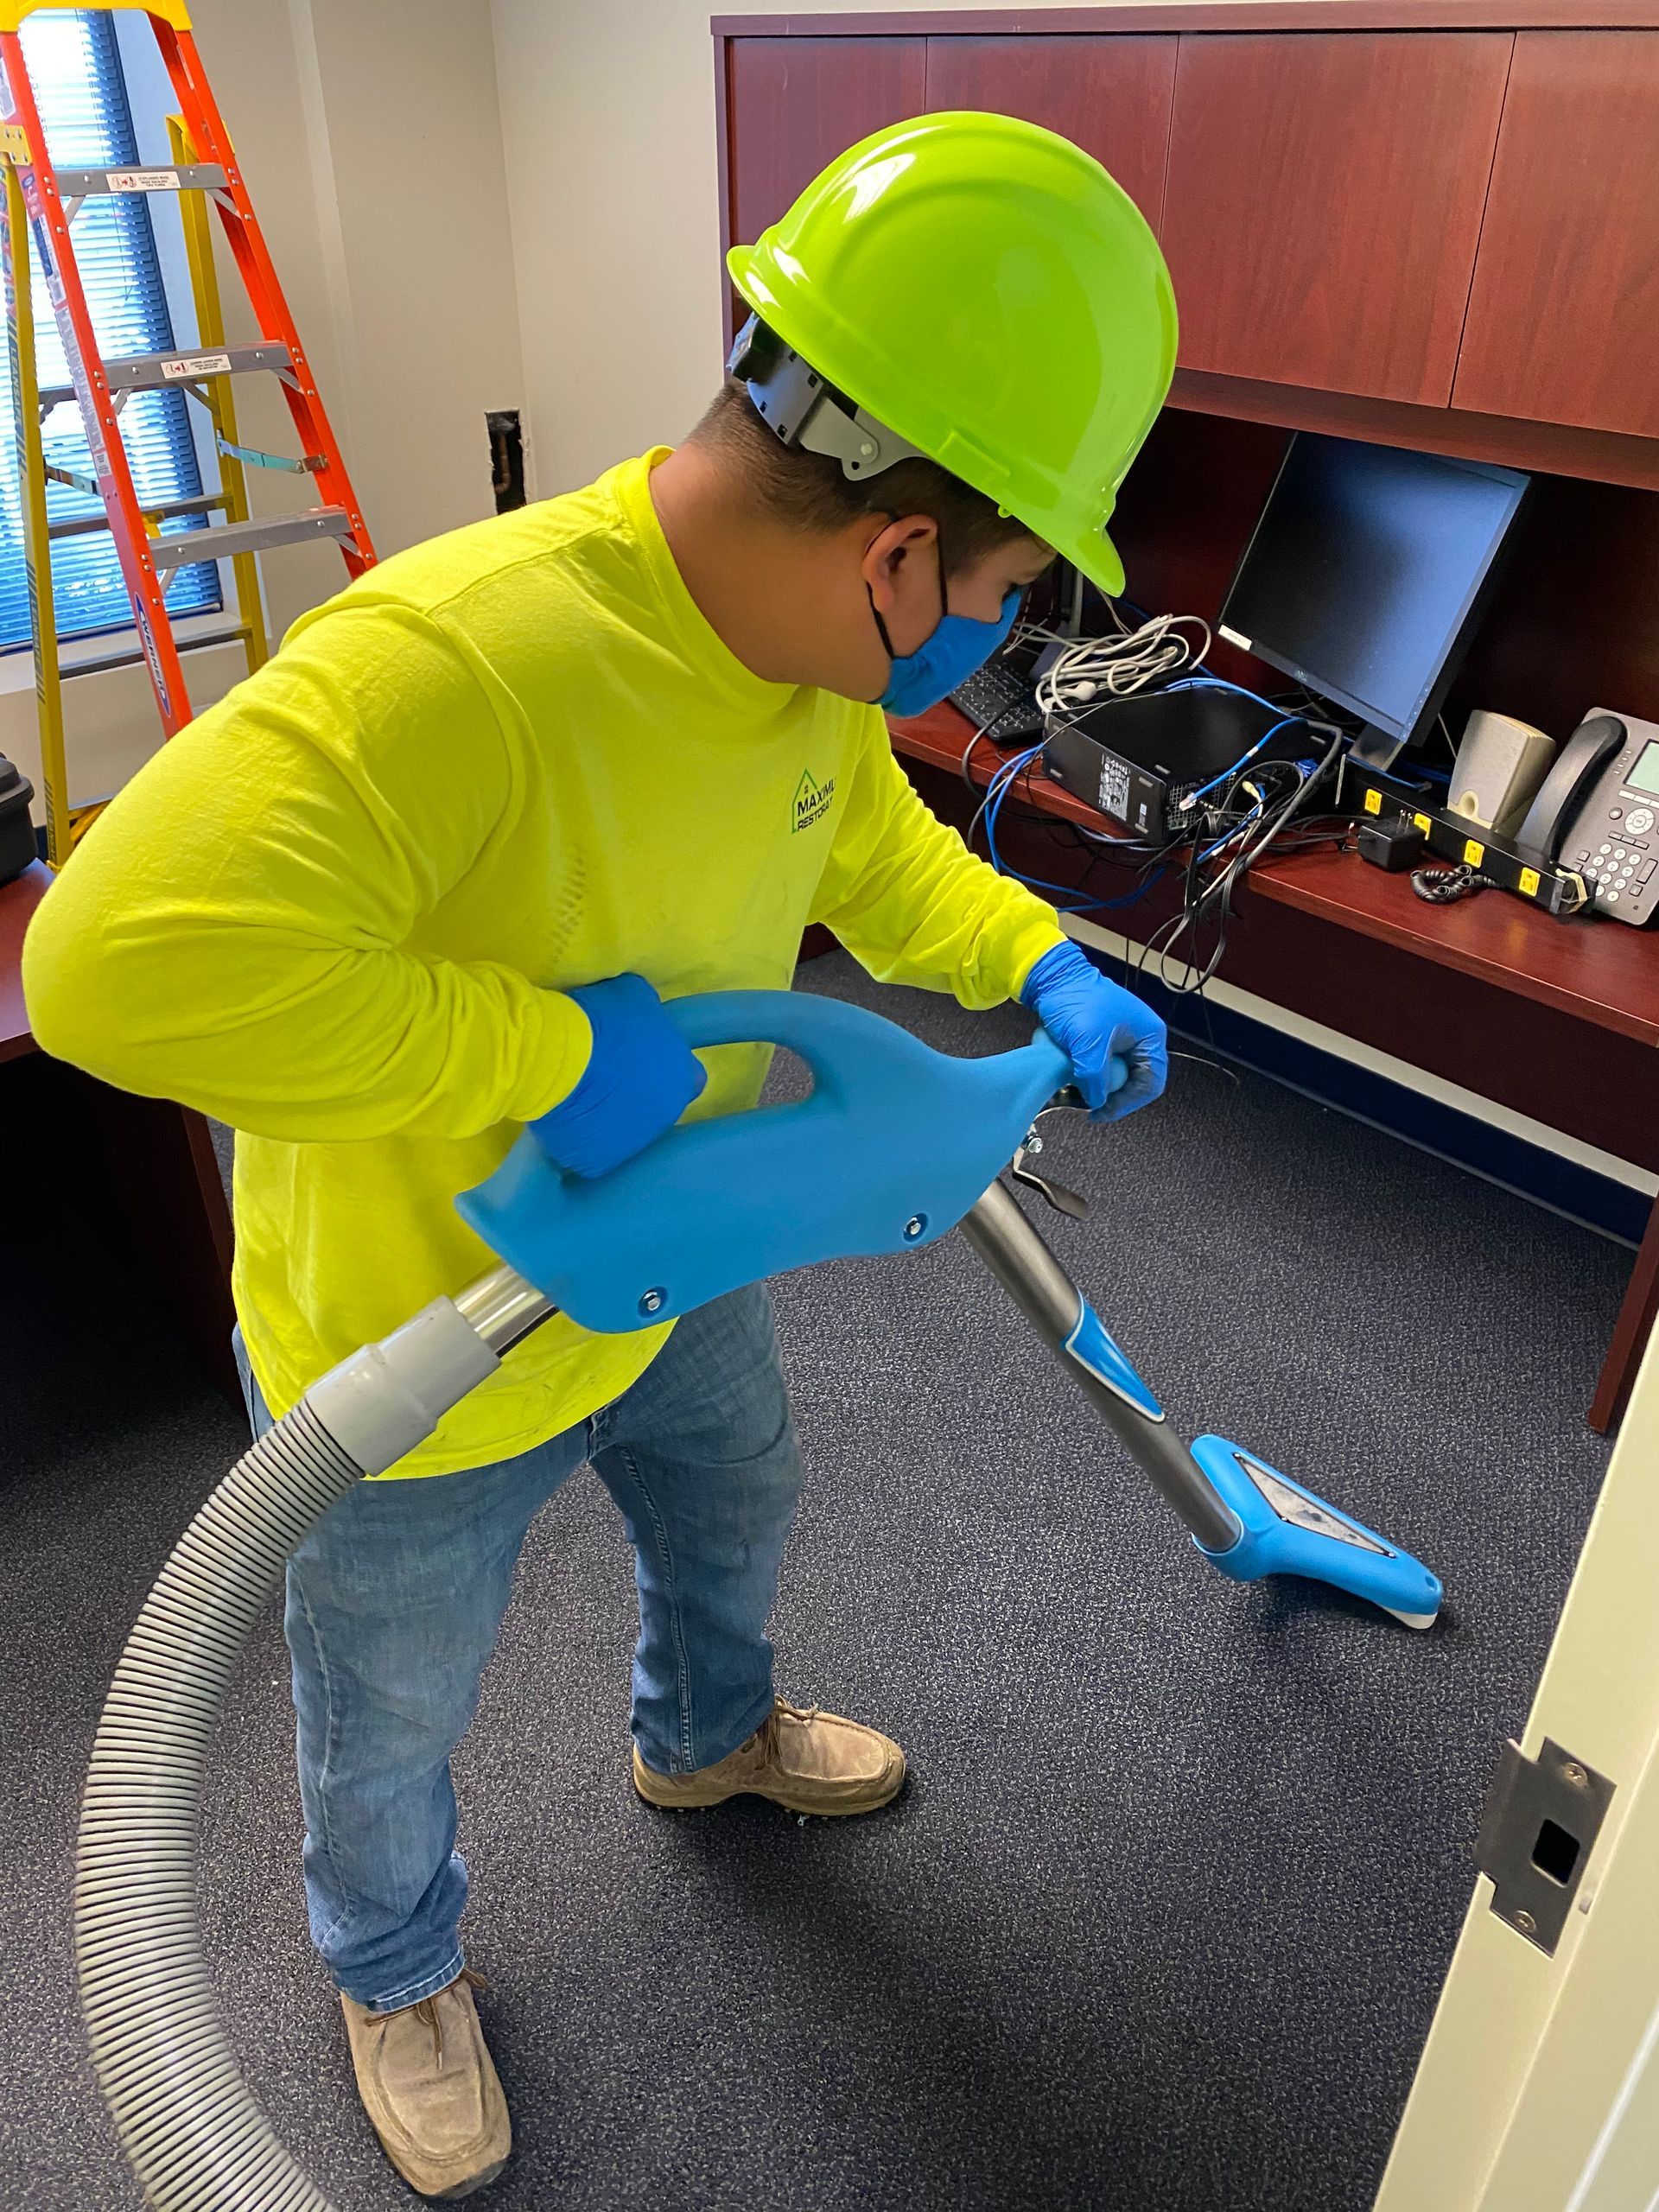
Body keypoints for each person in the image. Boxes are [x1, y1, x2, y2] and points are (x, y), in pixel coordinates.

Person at [25, 111, 1177, 2201]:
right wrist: (542, 1046)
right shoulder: (459, 659)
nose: (980, 648)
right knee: (386, 1709)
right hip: (420, 1335)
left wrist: (1032, 954)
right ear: (899, 542)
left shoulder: (810, 658)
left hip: (675, 1248)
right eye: (1002, 592)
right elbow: (109, 963)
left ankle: (700, 1732)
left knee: (736, 1490)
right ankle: (391, 1966)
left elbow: (878, 841)